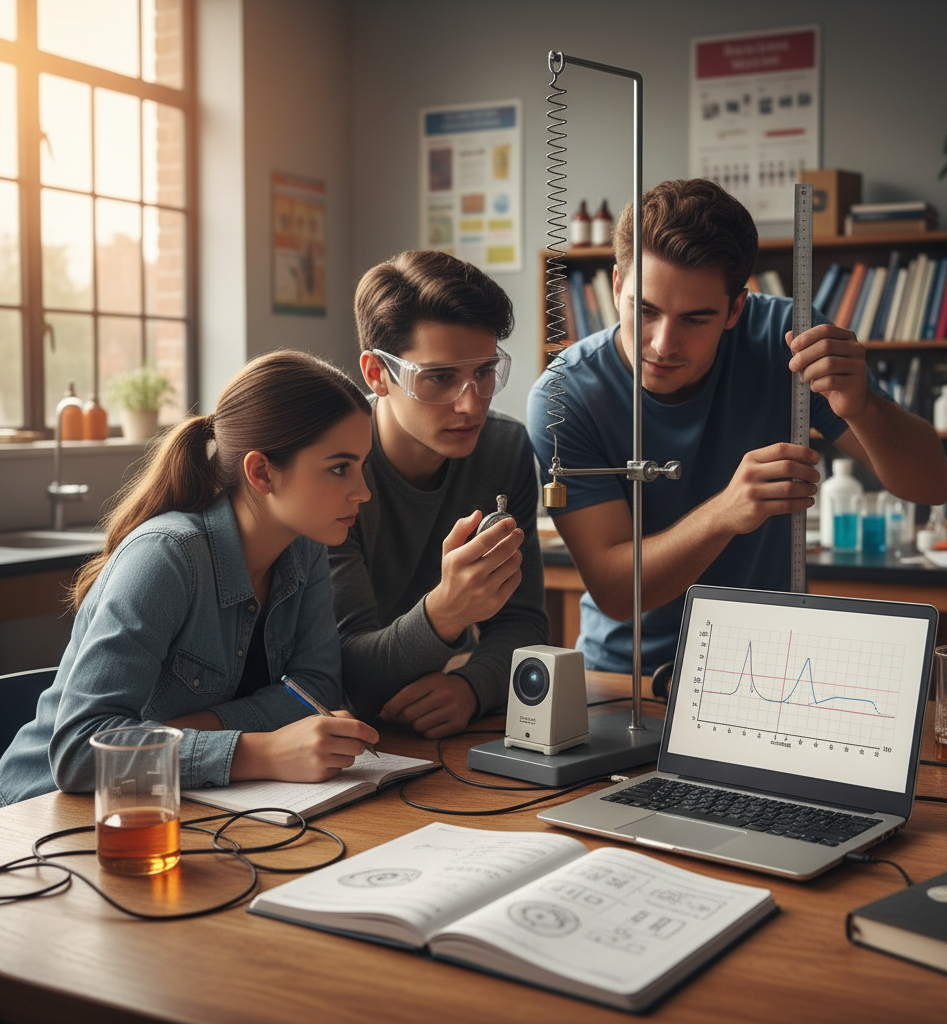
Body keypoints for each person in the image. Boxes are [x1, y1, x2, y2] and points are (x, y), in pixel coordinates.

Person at [527, 178, 947, 674]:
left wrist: (862, 405)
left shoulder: (785, 341)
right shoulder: (564, 397)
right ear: (617, 285)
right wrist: (726, 512)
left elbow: (932, 486)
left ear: (735, 310)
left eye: (694, 319)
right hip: (627, 679)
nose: (663, 344)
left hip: (768, 669)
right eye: (644, 310)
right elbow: (618, 592)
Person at [0, 350, 380, 806]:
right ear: (261, 472)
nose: (363, 491)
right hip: (46, 816)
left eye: (362, 465)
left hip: (179, 805)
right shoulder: (165, 558)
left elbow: (314, 692)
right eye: (339, 468)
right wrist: (258, 750)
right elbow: (81, 750)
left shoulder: (305, 547)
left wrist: (186, 731)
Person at [330, 250, 548, 739]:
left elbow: (523, 622)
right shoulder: (328, 466)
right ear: (376, 374)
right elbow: (347, 673)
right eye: (440, 378)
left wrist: (473, 688)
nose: (471, 404)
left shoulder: (504, 449)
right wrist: (448, 610)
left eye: (485, 372)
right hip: (338, 741)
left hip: (437, 742)